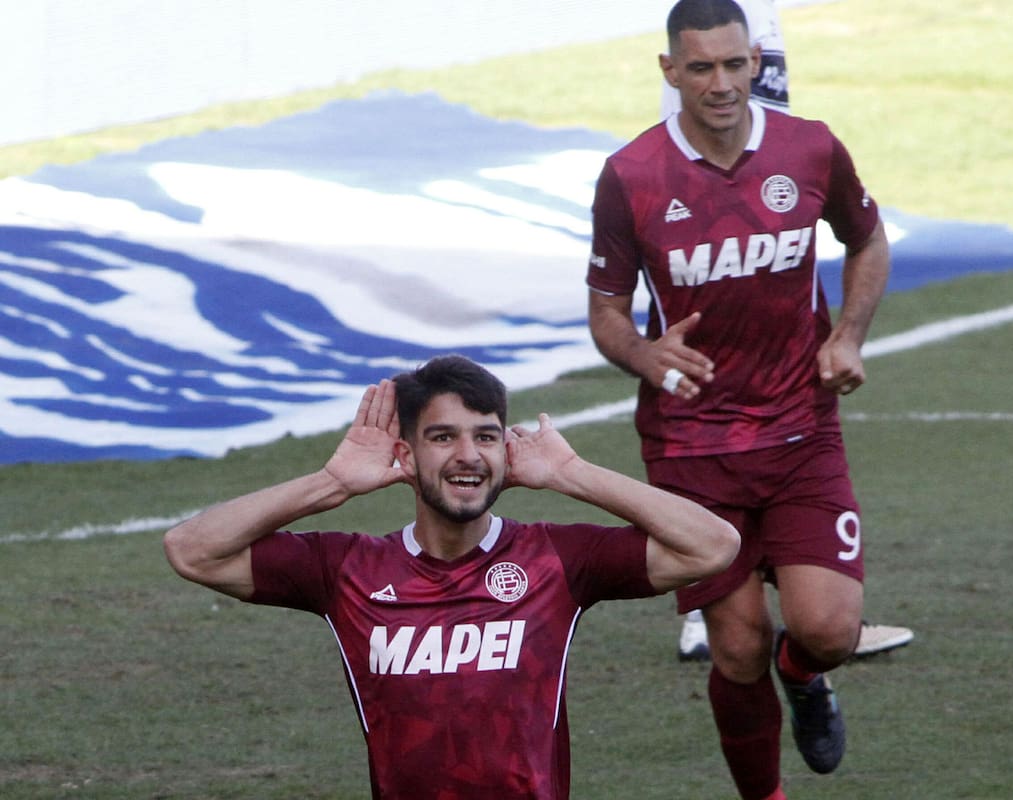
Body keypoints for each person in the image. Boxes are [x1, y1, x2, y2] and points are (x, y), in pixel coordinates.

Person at [162, 355, 740, 800]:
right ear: (405, 456)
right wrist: (332, 484)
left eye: (485, 436)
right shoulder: (346, 570)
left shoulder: (556, 560)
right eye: (443, 437)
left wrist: (572, 473)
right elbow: (193, 551)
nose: (469, 454)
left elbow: (713, 545)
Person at [586, 1, 891, 796]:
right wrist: (644, 355)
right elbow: (608, 312)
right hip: (691, 445)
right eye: (700, 68)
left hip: (800, 430)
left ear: (755, 62)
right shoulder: (631, 177)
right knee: (736, 649)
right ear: (669, 72)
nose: (720, 84)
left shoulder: (811, 148)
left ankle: (806, 673)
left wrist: (848, 334)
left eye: (733, 65)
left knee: (828, 631)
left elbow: (866, 239)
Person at [660, 0, 914, 665]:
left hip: (792, 412)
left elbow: (862, 234)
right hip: (703, 426)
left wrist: (847, 334)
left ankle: (796, 640)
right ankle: (712, 604)